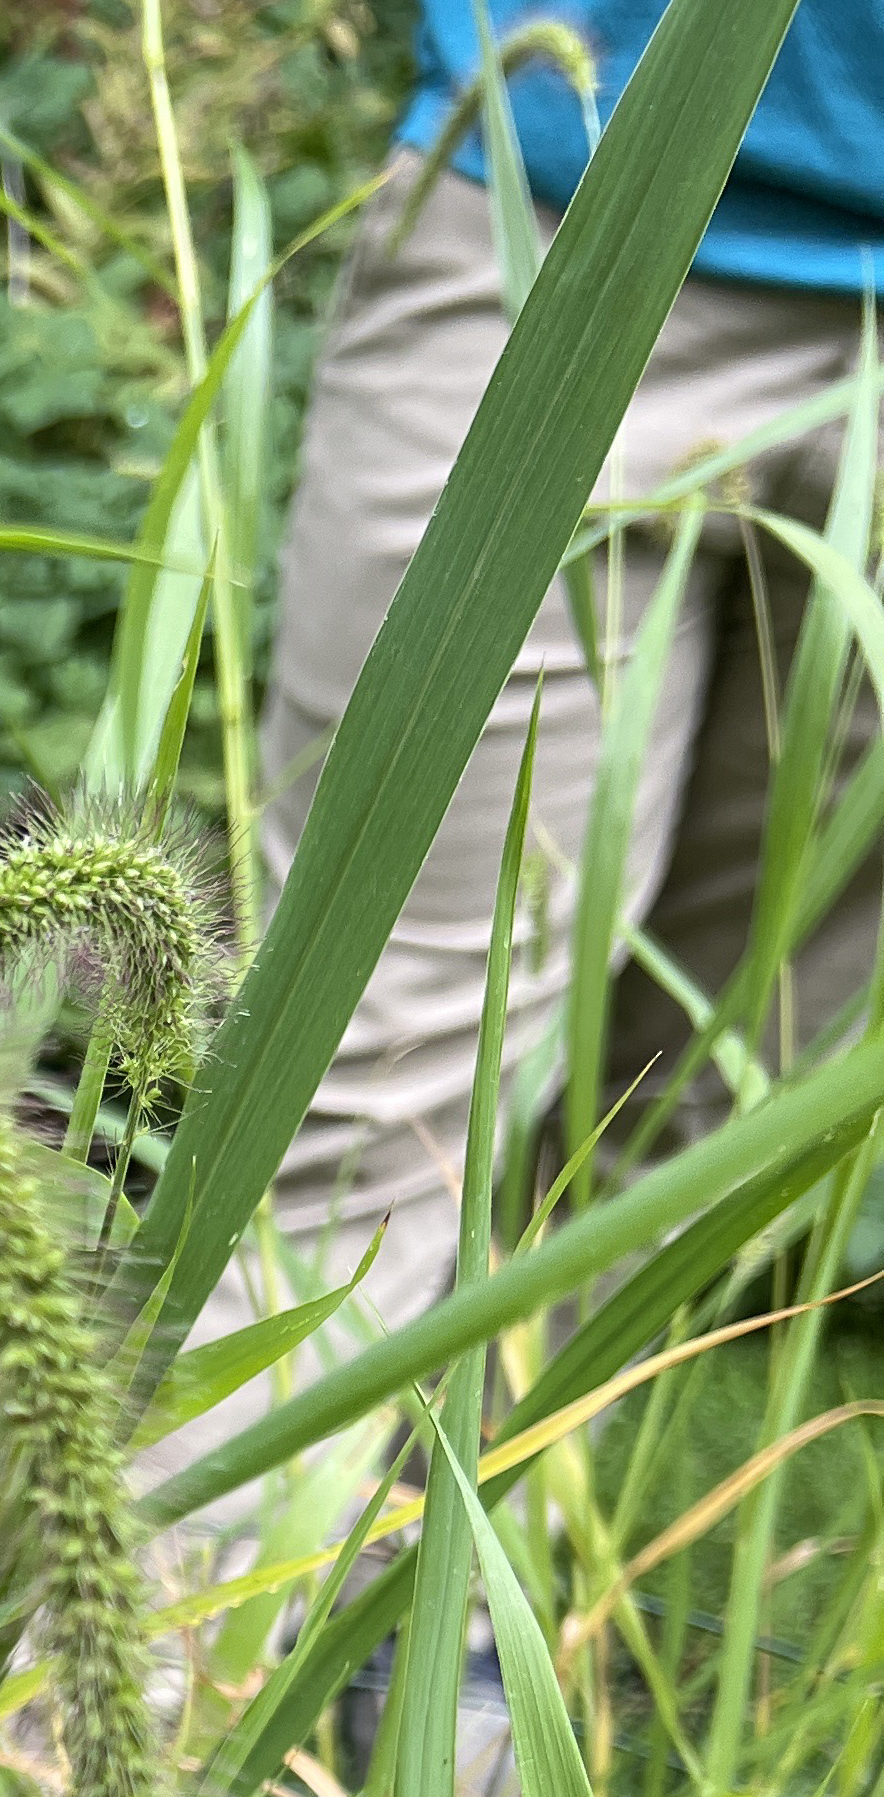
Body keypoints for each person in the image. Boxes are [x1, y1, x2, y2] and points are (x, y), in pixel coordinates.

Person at [258, 1, 884, 1347]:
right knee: (354, 1081)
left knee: (710, 1114)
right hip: (568, 208)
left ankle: (485, 1546)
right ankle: (203, 1559)